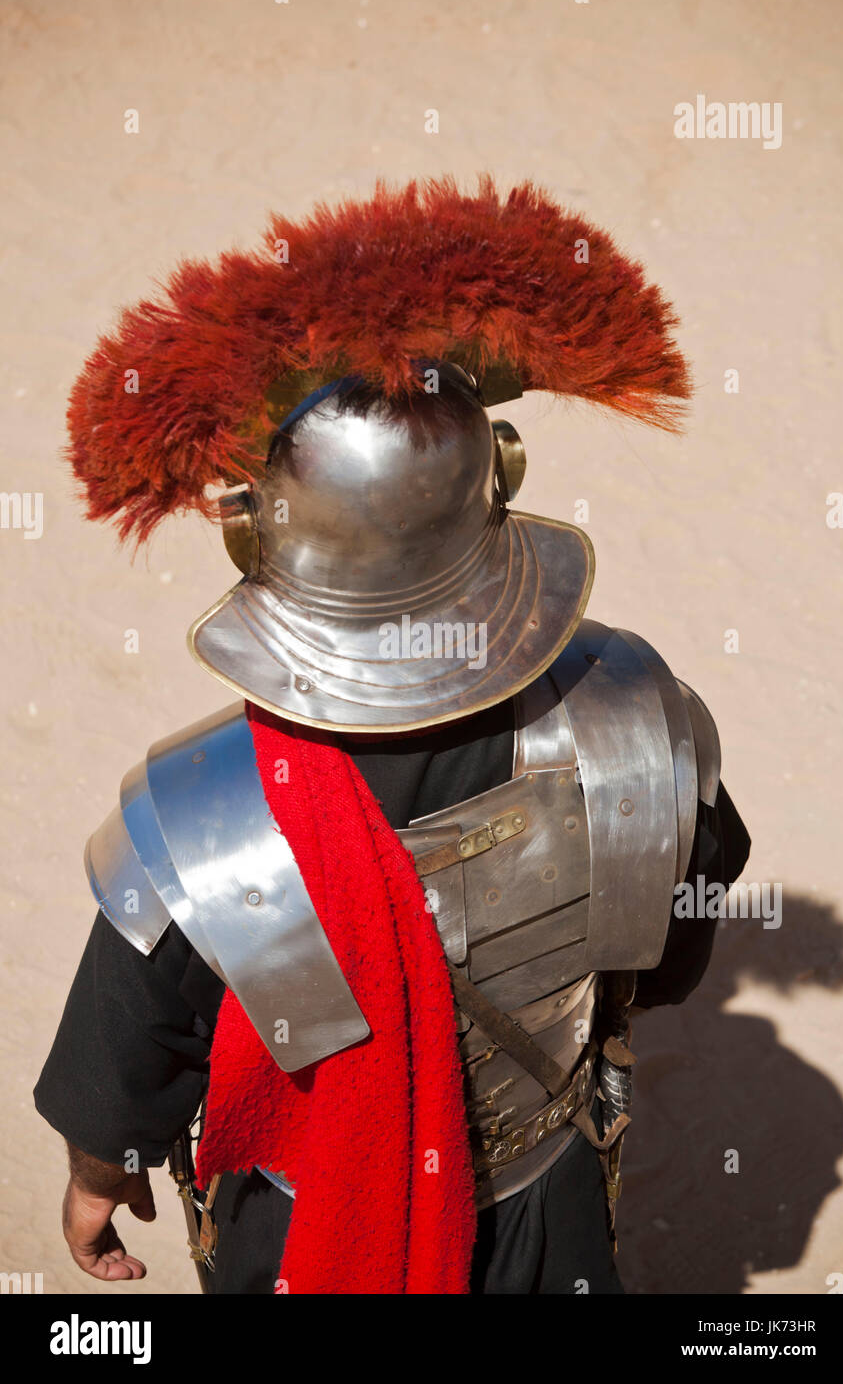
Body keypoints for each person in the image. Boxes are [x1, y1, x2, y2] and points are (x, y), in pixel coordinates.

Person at [35, 177, 750, 1295]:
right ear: (495, 482)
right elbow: (670, 950)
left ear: (258, 544)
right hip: (541, 1204)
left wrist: (96, 1170)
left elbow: (128, 1053)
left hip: (309, 1228)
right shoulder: (634, 711)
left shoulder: (202, 811)